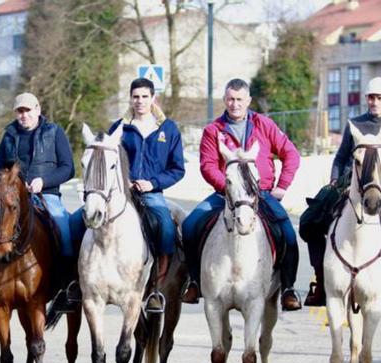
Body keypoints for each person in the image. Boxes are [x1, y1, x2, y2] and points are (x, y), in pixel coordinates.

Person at [300, 77, 381, 313]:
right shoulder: (355, 123)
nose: (374, 102)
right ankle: (321, 280)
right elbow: (340, 158)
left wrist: (375, 164)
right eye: (371, 97)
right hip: (349, 184)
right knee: (311, 221)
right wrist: (334, 179)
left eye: (379, 97)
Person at [181, 78, 302, 311]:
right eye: (230, 99)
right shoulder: (212, 130)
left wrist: (283, 186)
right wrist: (228, 188)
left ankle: (288, 288)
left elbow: (291, 155)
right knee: (189, 226)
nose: (234, 104)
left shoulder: (264, 125)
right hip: (224, 194)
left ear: (248, 100)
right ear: (224, 100)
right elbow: (207, 166)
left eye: (239, 99)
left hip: (261, 195)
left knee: (287, 233)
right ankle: (195, 282)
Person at [0, 92, 80, 314]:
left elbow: (68, 168)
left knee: (64, 231)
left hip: (48, 196)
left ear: (38, 109)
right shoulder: (9, 136)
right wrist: (7, 185)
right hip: (12, 200)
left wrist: (44, 181)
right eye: (20, 111)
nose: (23, 115)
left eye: (27, 110)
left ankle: (67, 289)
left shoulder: (54, 132)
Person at [106, 77, 185, 313]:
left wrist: (152, 183)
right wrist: (124, 181)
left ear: (153, 98)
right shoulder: (119, 127)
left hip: (152, 194)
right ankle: (77, 285)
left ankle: (156, 288)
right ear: (130, 98)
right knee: (84, 220)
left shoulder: (168, 128)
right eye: (135, 96)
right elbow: (108, 160)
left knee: (166, 227)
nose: (139, 101)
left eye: (144, 96)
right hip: (121, 192)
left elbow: (177, 169)